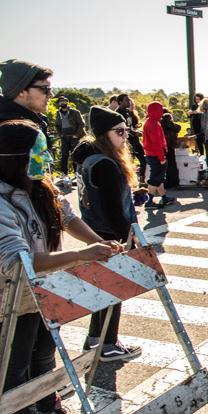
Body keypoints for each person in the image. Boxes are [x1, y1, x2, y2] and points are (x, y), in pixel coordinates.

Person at [0, 120, 123, 414]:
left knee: (45, 350)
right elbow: (14, 261)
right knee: (16, 360)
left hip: (46, 288)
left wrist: (98, 242)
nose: (47, 159)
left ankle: (48, 409)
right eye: (40, 153)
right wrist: (81, 255)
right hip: (8, 296)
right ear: (18, 157)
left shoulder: (39, 182)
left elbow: (65, 215)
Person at [72, 106, 146, 362]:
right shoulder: (106, 164)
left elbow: (101, 197)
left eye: (127, 130)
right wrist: (131, 238)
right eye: (119, 131)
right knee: (115, 290)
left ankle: (95, 339)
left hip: (94, 230)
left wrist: (131, 195)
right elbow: (114, 210)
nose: (126, 135)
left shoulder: (89, 159)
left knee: (102, 289)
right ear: (105, 134)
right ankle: (109, 344)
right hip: (111, 234)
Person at [0, 60, 53, 150]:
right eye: (44, 89)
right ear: (21, 91)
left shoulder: (32, 119)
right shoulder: (11, 130)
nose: (51, 95)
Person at [141, 101, 175, 209]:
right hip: (155, 155)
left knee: (159, 178)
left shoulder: (148, 121)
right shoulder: (154, 125)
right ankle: (149, 201)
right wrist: (161, 158)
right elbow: (156, 143)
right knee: (155, 179)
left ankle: (164, 198)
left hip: (150, 154)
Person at [115, 93, 147, 184]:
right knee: (129, 162)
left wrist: (136, 129)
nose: (129, 102)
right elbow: (121, 129)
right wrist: (133, 133)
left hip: (136, 142)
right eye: (126, 100)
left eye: (129, 100)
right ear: (120, 102)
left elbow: (130, 126)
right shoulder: (118, 114)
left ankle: (141, 180)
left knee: (144, 160)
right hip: (127, 142)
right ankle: (128, 182)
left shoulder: (127, 113)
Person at [54, 96, 85, 187]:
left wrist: (77, 134)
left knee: (74, 154)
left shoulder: (75, 112)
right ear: (59, 103)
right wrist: (60, 134)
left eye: (64, 101)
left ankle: (76, 172)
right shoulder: (58, 113)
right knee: (64, 155)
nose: (62, 102)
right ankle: (64, 173)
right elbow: (56, 125)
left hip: (74, 135)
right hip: (64, 136)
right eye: (60, 101)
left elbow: (81, 124)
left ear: (67, 102)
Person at [161, 107, 182, 189]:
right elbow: (174, 128)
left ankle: (165, 183)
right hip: (169, 144)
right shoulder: (167, 116)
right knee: (172, 163)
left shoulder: (157, 120)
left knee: (163, 164)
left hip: (161, 144)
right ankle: (174, 183)